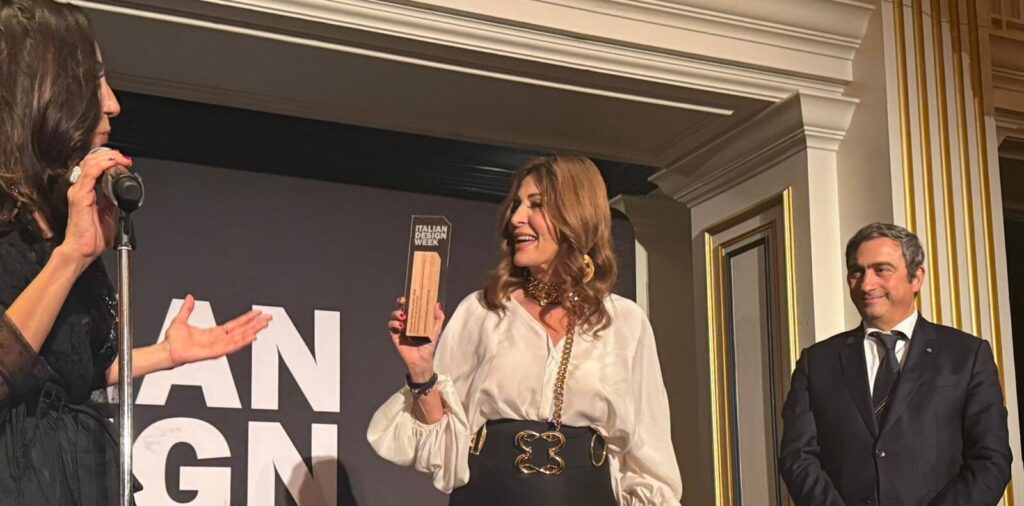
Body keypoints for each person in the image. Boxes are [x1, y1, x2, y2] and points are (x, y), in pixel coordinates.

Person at [0, 1, 272, 503]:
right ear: (41, 90)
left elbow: (67, 370)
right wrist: (70, 258)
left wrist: (166, 355)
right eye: (93, 82)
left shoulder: (57, 217)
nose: (112, 104)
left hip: (73, 475)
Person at [367, 154, 682, 505]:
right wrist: (422, 370)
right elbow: (443, 451)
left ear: (576, 214)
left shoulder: (624, 322)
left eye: (536, 204)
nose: (516, 218)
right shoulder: (483, 311)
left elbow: (648, 461)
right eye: (516, 205)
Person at [779, 222, 1012, 505]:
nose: (866, 284)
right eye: (856, 271)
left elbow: (991, 459)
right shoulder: (817, 362)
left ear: (916, 278)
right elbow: (797, 458)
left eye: (881, 270)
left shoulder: (967, 355)